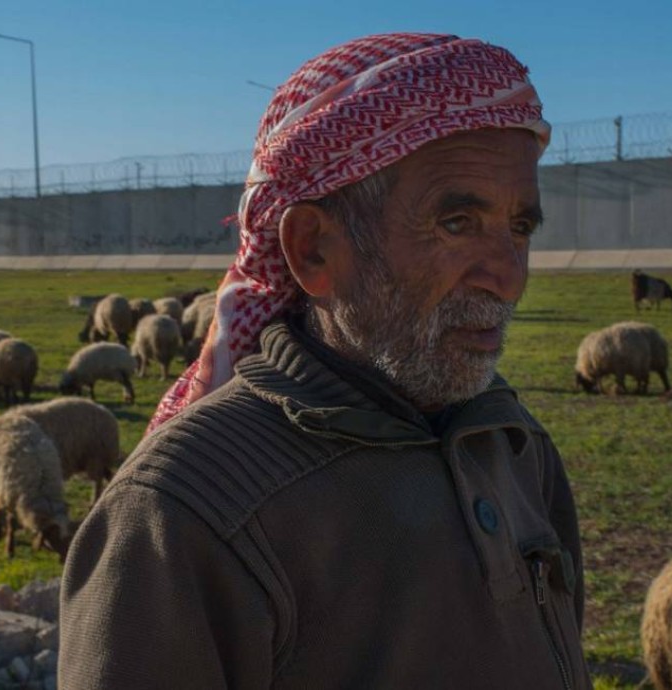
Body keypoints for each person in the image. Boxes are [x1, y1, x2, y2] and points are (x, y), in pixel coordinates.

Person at [59, 33, 591, 689]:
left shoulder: (511, 445)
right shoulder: (183, 511)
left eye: (520, 229)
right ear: (314, 250)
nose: (507, 278)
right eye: (458, 224)